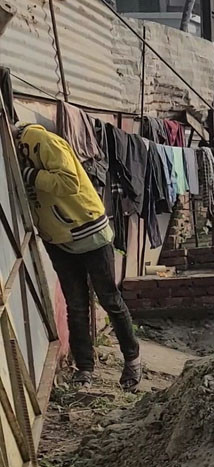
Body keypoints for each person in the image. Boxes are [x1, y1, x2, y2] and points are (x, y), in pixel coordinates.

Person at [15, 123, 141, 389]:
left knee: (110, 299)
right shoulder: (12, 151)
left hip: (89, 231)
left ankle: (132, 360)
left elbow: (69, 182)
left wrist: (30, 175)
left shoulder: (38, 140)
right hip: (57, 239)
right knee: (76, 306)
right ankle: (84, 368)